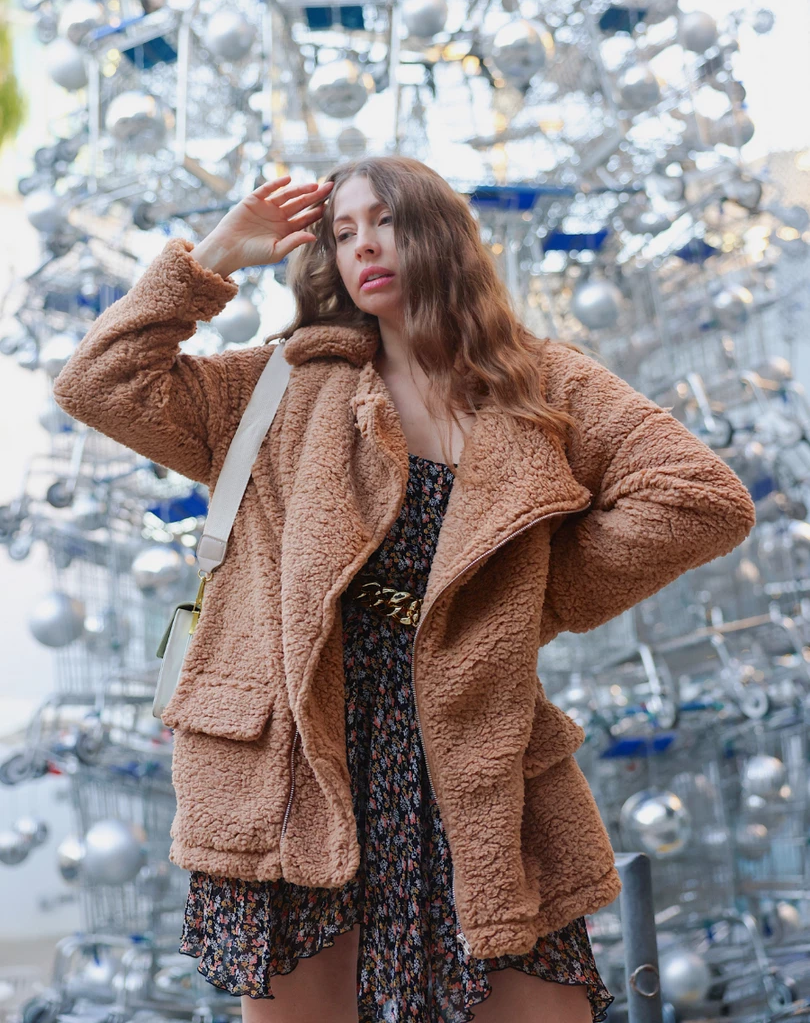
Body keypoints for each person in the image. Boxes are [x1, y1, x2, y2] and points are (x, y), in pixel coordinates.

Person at [53, 155, 757, 1023]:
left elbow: (700, 499)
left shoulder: (544, 382)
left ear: (440, 231)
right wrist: (215, 257)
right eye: (343, 231)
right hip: (304, 753)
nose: (364, 245)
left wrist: (524, 601)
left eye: (384, 220)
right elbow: (98, 382)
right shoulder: (280, 384)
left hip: (472, 742)